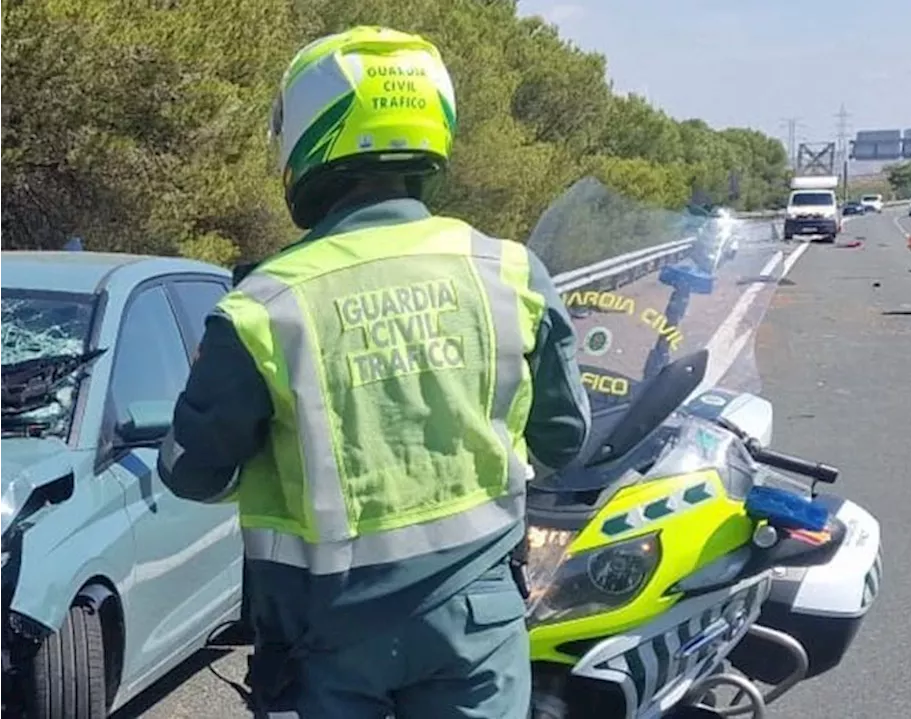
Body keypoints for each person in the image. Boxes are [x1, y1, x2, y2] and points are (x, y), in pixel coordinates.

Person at [156, 26, 592, 719]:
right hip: (475, 626)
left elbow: (190, 471)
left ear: (308, 134)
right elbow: (565, 438)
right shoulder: (510, 272)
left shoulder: (264, 304)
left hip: (324, 634)